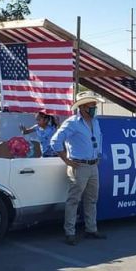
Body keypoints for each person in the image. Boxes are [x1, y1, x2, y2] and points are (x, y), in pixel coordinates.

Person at [50, 92, 106, 245]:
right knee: (74, 200)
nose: (95, 108)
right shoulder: (72, 123)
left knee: (91, 199)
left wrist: (98, 155)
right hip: (79, 165)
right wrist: (66, 160)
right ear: (82, 107)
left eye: (95, 105)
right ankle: (70, 232)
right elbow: (55, 141)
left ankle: (91, 229)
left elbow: (98, 140)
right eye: (92, 106)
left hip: (93, 165)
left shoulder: (95, 122)